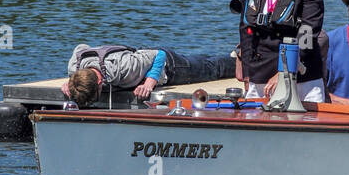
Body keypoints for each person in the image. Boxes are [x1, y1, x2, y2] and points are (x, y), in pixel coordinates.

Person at [63, 44, 233, 107]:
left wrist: (149, 83)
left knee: (212, 70)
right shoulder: (75, 66)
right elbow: (81, 46)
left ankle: (239, 59)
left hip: (169, 67)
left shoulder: (124, 69)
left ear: (100, 81)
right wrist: (72, 83)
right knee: (200, 60)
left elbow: (159, 55)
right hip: (141, 59)